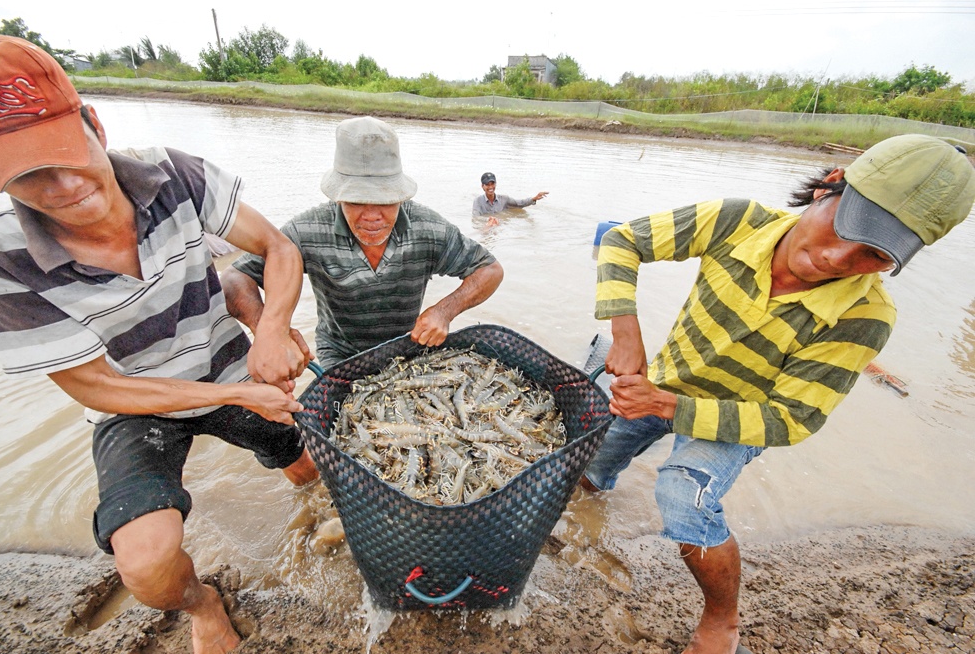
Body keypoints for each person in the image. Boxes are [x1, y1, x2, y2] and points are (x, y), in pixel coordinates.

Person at [0, 36, 318, 654]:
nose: (60, 186)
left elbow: (278, 246)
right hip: (135, 407)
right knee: (147, 567)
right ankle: (204, 603)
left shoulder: (174, 175)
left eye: (63, 153)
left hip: (227, 367)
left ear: (92, 122)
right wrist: (240, 391)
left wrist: (270, 328)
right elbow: (98, 386)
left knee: (304, 463)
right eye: (26, 174)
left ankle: (310, 502)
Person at [582, 134, 975, 654]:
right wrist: (626, 332)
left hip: (741, 415)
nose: (837, 258)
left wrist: (665, 406)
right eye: (845, 228)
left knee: (682, 494)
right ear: (829, 187)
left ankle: (721, 620)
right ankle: (588, 517)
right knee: (594, 464)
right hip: (668, 376)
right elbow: (621, 240)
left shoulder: (865, 315)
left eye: (873, 255)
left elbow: (790, 420)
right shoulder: (737, 220)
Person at [222, 116, 504, 368]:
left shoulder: (427, 228)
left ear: (400, 195)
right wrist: (271, 333)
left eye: (384, 200)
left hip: (405, 349)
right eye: (356, 200)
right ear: (338, 195)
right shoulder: (306, 232)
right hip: (340, 354)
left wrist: (444, 311)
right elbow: (235, 277)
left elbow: (489, 270)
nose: (371, 216)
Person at [472, 171, 548, 225]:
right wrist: (488, 219)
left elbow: (520, 203)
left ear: (496, 184)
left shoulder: (504, 199)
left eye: (492, 184)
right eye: (487, 185)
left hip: (500, 225)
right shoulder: (478, 201)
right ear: (482, 186)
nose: (490, 187)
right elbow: (476, 218)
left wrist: (534, 198)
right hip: (487, 225)